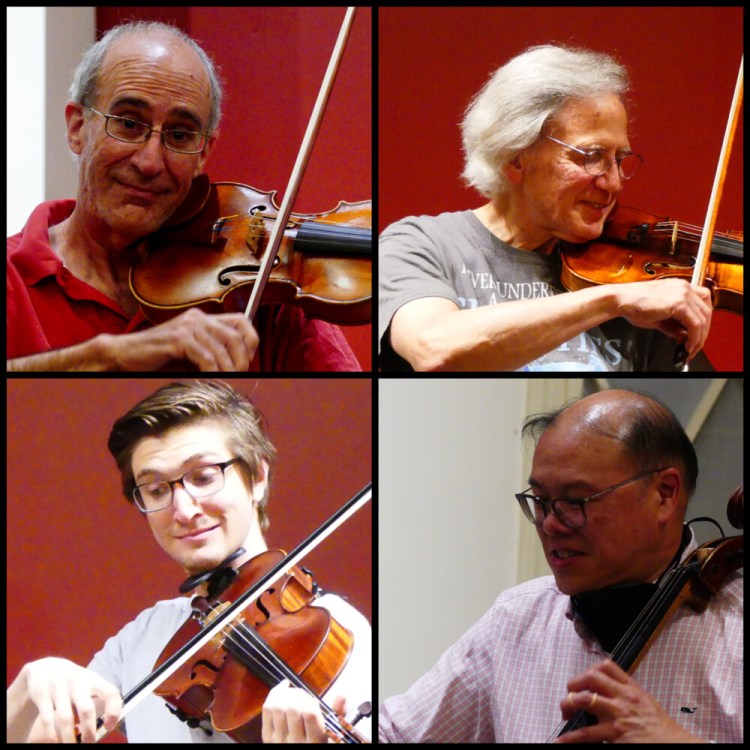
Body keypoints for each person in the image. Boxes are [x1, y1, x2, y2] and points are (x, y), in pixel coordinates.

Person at [6, 380, 371, 743]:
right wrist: (25, 688)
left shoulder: (339, 632)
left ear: (257, 477)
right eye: (157, 490)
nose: (183, 510)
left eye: (204, 477)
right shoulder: (145, 635)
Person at [379, 390, 742, 742]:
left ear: (664, 494)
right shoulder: (517, 618)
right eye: (540, 500)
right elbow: (393, 734)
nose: (550, 524)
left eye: (574, 501)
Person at [7, 21, 361, 372]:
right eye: (128, 124)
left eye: (179, 134)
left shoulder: (265, 288)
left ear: (203, 153)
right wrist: (105, 356)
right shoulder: (12, 277)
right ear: (77, 128)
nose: (149, 162)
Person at [379, 44, 714, 372]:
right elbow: (435, 350)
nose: (613, 183)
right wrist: (612, 300)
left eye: (619, 159)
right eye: (592, 156)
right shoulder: (420, 244)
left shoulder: (635, 279)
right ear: (514, 158)